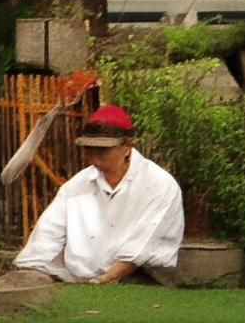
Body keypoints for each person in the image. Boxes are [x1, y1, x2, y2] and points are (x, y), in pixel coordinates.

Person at [14, 104, 184, 284]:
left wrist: (105, 278)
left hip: (145, 278)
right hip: (81, 281)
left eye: (102, 150)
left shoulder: (160, 185)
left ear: (127, 146)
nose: (94, 157)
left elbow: (144, 246)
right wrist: (31, 271)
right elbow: (47, 235)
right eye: (89, 149)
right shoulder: (75, 187)